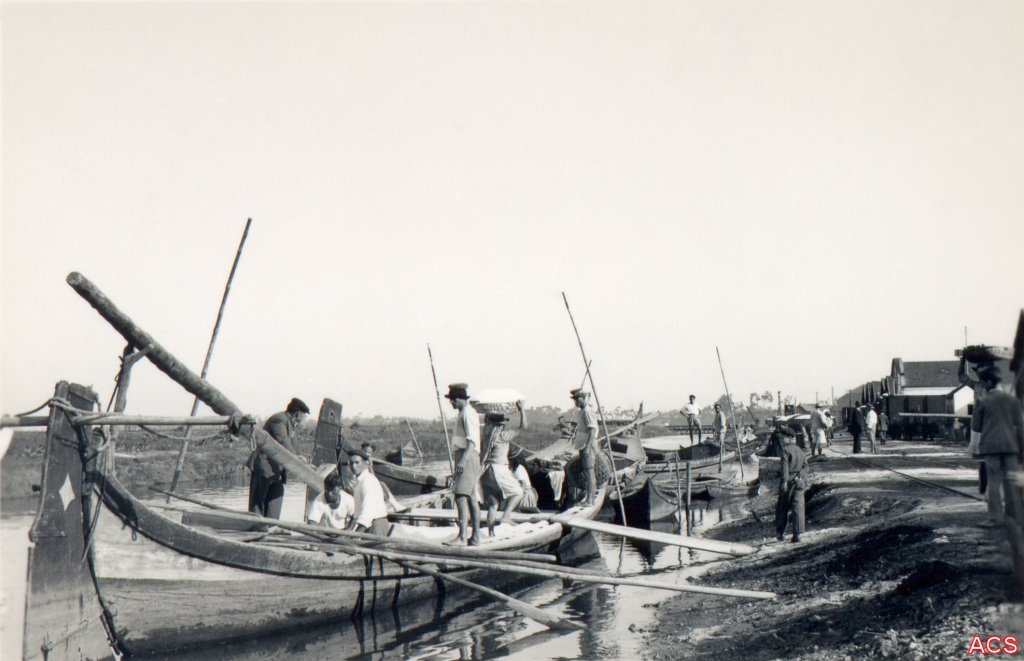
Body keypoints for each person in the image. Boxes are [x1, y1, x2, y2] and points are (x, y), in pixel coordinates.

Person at [970, 365, 1024, 527]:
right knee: (1011, 482)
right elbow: (1020, 425)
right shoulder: (1013, 401)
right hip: (1011, 446)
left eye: (982, 383)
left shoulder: (982, 401)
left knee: (993, 482)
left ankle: (995, 518)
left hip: (991, 446)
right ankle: (1015, 517)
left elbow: (976, 426)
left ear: (988, 382)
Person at [248, 397, 310, 519]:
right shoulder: (279, 420)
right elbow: (283, 441)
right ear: (297, 413)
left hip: (278, 471)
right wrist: (297, 458)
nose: (305, 418)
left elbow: (293, 446)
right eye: (304, 415)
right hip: (265, 467)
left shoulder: (292, 425)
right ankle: (255, 526)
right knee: (258, 503)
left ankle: (272, 526)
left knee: (275, 503)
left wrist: (303, 460)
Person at [480, 402, 527, 535]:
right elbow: (523, 427)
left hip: (486, 471)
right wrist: (522, 409)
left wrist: (488, 413)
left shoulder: (486, 436)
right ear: (501, 424)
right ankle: (506, 516)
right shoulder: (502, 436)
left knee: (493, 504)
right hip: (498, 469)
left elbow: (487, 422)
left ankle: (491, 533)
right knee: (518, 492)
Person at [446, 383, 482, 545]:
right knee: (471, 497)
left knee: (461, 496)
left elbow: (472, 441)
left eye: (453, 399)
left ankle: (462, 537)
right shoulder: (464, 412)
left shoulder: (467, 412)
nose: (452, 402)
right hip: (466, 455)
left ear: (460, 399)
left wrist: (463, 460)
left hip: (467, 455)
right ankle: (475, 537)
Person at [345, 449, 391, 535]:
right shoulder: (360, 482)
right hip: (368, 525)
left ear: (365, 463)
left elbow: (367, 514)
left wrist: (354, 535)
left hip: (376, 525)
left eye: (357, 462)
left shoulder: (368, 482)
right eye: (351, 463)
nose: (353, 466)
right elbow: (357, 513)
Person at [774, 427, 808, 543]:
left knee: (782, 508)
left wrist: (784, 482)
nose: (781, 440)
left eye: (783, 438)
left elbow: (785, 469)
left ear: (789, 438)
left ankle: (780, 534)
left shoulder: (785, 451)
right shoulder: (800, 450)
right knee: (798, 508)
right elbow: (806, 466)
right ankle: (797, 535)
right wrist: (800, 476)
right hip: (799, 482)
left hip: (788, 482)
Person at [570, 387, 599, 506]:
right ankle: (589, 497)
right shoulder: (582, 411)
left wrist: (587, 448)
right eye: (575, 400)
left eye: (578, 399)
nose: (576, 402)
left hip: (588, 446)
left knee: (589, 471)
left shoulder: (587, 411)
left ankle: (590, 500)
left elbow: (592, 431)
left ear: (584, 398)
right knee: (587, 471)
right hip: (583, 446)